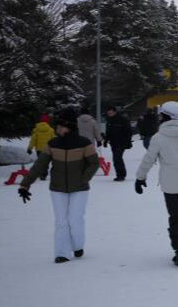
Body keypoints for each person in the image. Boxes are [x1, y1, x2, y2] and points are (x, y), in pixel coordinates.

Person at [18, 108, 99, 263]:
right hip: (57, 188)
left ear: (68, 126)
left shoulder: (84, 143)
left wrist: (84, 179)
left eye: (60, 126)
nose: (57, 129)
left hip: (79, 188)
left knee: (75, 220)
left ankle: (77, 245)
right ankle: (62, 253)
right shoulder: (52, 144)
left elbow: (93, 163)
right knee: (61, 221)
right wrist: (25, 184)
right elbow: (39, 165)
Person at [135, 101, 178, 268]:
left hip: (170, 185)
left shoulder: (158, 138)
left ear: (166, 116)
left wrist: (140, 178)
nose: (159, 117)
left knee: (176, 217)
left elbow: (148, 159)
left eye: (161, 114)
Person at [103, 105, 133, 181]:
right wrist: (106, 141)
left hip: (121, 142)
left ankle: (121, 175)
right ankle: (121, 174)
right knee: (117, 159)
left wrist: (128, 142)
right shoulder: (109, 120)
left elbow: (128, 131)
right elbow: (108, 132)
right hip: (113, 143)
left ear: (115, 112)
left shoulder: (122, 119)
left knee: (117, 158)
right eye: (108, 113)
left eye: (111, 113)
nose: (109, 114)